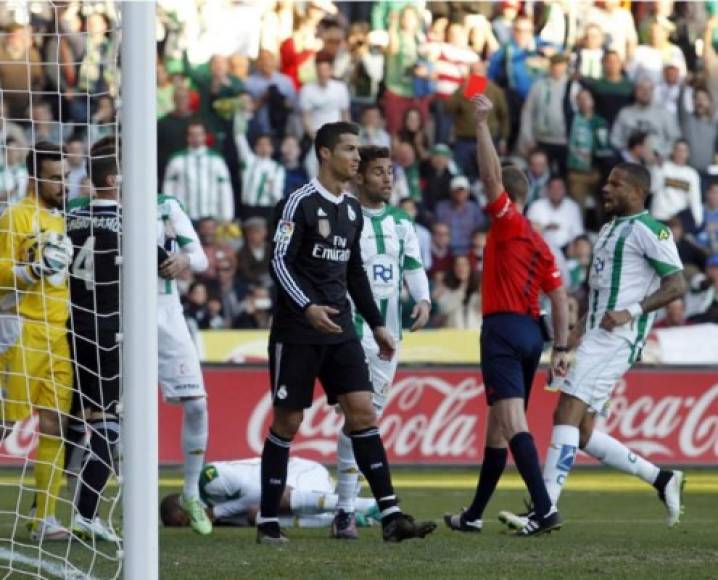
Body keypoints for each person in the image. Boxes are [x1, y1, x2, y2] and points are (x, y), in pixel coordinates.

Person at [257, 121, 436, 544]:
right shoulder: (297, 202)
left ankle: (392, 517)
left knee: (363, 413)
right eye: (350, 149)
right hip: (298, 331)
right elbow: (279, 262)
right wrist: (307, 306)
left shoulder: (351, 209)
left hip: (341, 332)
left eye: (359, 151)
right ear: (324, 152)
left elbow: (354, 272)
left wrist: (376, 325)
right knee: (289, 421)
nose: (357, 157)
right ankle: (267, 521)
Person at [498, 162, 687, 532]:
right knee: (580, 433)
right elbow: (597, 299)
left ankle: (544, 508)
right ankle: (662, 479)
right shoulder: (607, 230)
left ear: (636, 191)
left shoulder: (652, 231)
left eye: (615, 184)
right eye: (607, 181)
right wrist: (569, 342)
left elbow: (676, 285)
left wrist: (631, 312)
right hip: (596, 338)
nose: (605, 188)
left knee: (564, 412)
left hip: (618, 340)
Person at [443, 96, 569, 537]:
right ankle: (473, 514)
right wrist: (563, 347)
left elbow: (490, 174)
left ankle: (545, 507)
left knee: (512, 422)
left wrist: (481, 125)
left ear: (509, 198)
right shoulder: (539, 242)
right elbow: (560, 296)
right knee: (498, 428)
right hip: (532, 334)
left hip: (502, 328)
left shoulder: (508, 222)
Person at [331, 145, 431, 539]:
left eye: (390, 171)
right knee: (361, 420)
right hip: (350, 332)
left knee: (361, 422)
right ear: (359, 177)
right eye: (378, 172)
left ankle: (345, 510)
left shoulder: (402, 222)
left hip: (389, 337)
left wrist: (422, 299)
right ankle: (344, 510)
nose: (387, 178)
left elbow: (413, 266)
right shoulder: (345, 217)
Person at [0, 142, 74, 540]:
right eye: (55, 178)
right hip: (21, 332)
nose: (63, 184)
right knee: (4, 423)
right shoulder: (15, 216)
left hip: (58, 335)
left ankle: (43, 519)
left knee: (54, 426)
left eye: (65, 176)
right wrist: (28, 272)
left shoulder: (63, 221)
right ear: (35, 179)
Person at [66, 139, 122, 542]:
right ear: (112, 178)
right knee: (110, 423)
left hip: (69, 328)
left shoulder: (69, 221)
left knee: (68, 421)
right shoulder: (128, 223)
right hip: (107, 331)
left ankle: (42, 511)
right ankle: (86, 511)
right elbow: (165, 265)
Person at [157, 190, 213, 535]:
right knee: (106, 416)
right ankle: (84, 508)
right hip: (114, 317)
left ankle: (191, 494)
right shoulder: (94, 209)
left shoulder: (165, 206)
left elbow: (201, 258)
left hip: (166, 317)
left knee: (197, 405)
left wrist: (185, 261)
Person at [160, 457, 379, 529]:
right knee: (257, 517)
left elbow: (260, 492)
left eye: (185, 519)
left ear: (183, 504)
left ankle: (366, 505)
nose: (191, 523)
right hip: (297, 491)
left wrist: (218, 511)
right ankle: (350, 520)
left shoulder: (209, 478)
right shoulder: (214, 518)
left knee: (274, 497)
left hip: (302, 473)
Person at [162, 120, 235, 223]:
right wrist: (168, 215)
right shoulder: (176, 160)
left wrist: (227, 216)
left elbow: (225, 189)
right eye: (192, 135)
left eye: (199, 134)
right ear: (187, 137)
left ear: (205, 136)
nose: (196, 138)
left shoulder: (217, 160)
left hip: (211, 217)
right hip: (183, 217)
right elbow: (168, 189)